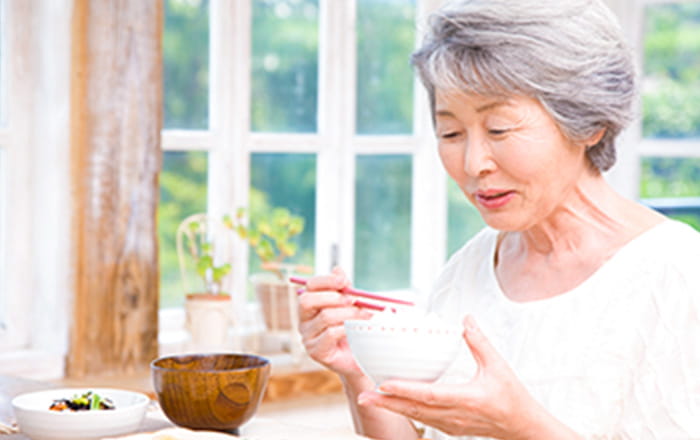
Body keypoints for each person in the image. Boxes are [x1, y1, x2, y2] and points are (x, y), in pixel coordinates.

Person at [297, 0, 700, 438]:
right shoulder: (469, 270)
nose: (472, 164)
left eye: (499, 129)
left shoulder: (677, 274)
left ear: (588, 123)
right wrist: (359, 370)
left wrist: (521, 427)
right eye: (450, 133)